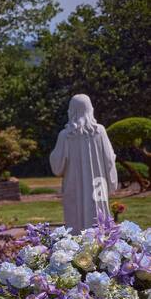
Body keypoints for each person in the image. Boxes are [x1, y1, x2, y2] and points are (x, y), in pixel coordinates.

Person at [49, 94, 119, 231]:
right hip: (98, 185)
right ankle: (101, 250)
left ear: (71, 110)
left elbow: (57, 167)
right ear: (89, 109)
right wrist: (112, 183)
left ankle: (76, 250)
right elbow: (109, 159)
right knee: (99, 224)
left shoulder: (66, 135)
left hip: (73, 186)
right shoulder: (99, 132)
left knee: (75, 225)